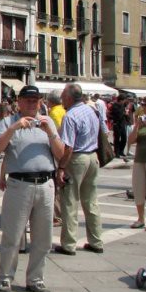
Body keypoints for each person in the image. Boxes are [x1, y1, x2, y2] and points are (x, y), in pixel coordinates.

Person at [0, 85, 64, 292]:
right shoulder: (8, 121)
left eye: (36, 100)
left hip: (45, 183)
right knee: (12, 235)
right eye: (28, 100)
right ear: (20, 102)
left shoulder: (48, 121)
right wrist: (14, 129)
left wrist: (50, 132)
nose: (33, 104)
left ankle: (36, 279)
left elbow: (60, 154)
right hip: (19, 184)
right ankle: (5, 278)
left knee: (43, 237)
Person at [55, 83, 103, 256]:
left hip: (77, 159)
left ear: (68, 98)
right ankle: (96, 241)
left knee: (70, 201)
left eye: (62, 97)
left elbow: (68, 147)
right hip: (92, 157)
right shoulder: (92, 110)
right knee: (91, 201)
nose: (61, 100)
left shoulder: (70, 116)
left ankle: (69, 244)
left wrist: (61, 167)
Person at [127, 95, 146, 230]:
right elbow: (131, 141)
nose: (142, 108)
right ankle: (140, 218)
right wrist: (137, 125)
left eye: (145, 105)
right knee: (138, 188)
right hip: (140, 159)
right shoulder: (142, 121)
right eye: (142, 105)